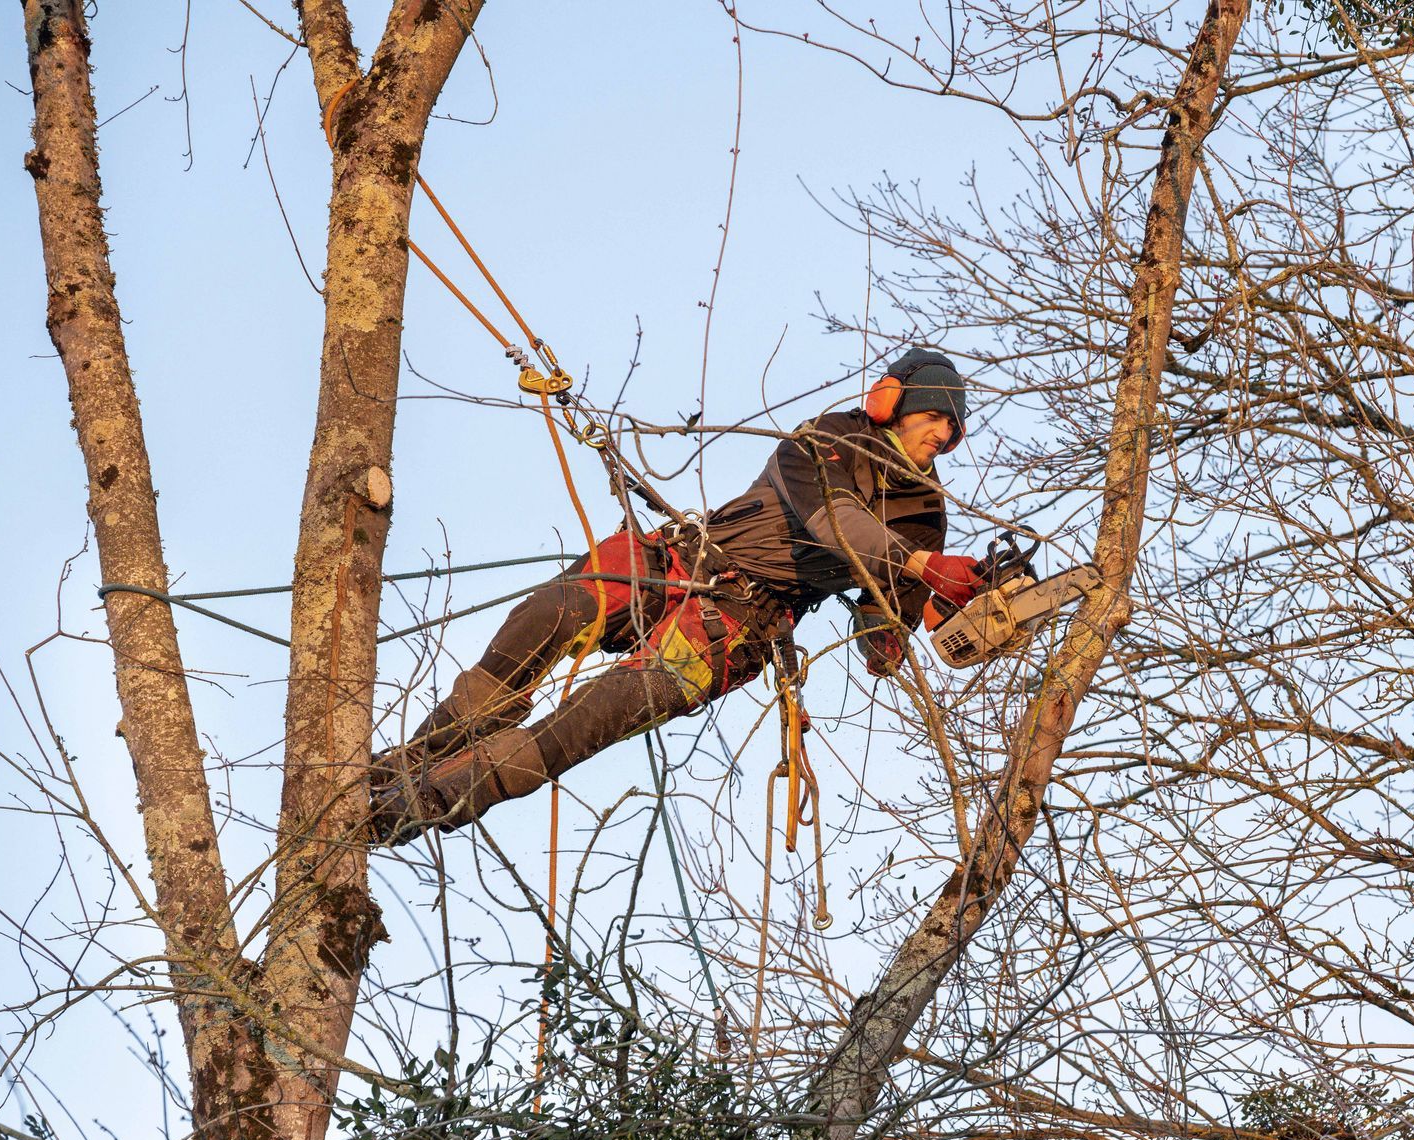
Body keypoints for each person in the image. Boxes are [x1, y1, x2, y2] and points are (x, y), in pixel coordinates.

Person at [369, 349, 986, 845]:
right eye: (934, 416)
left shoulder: (924, 517)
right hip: (679, 560)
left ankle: (420, 806)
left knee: (588, 720)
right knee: (552, 614)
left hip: (737, 627)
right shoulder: (827, 440)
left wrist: (944, 613)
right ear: (892, 403)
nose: (942, 434)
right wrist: (923, 564)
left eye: (952, 428)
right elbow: (831, 518)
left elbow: (884, 632)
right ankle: (413, 759)